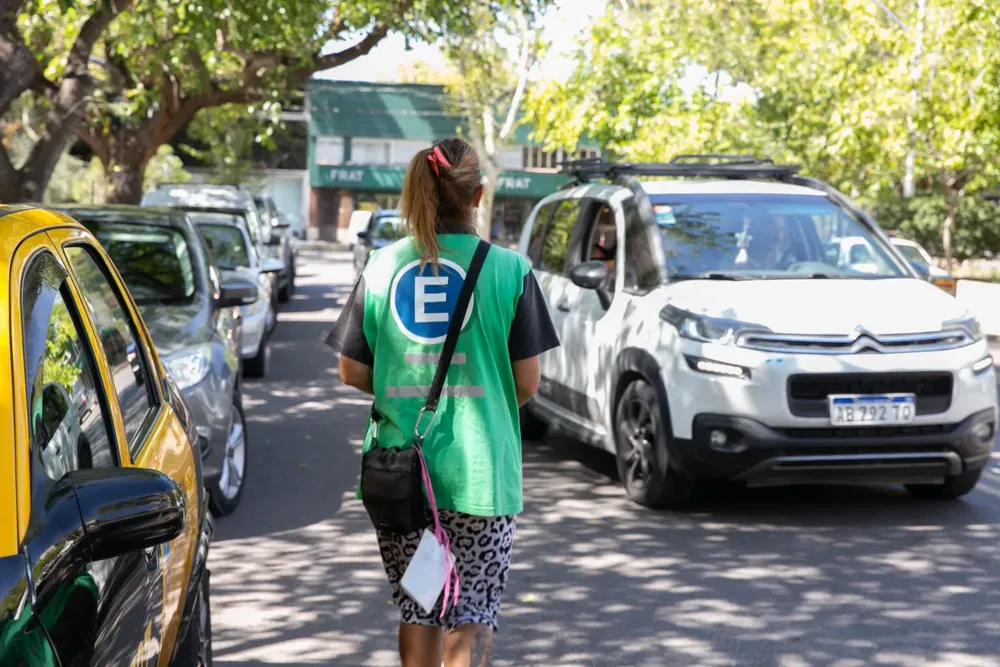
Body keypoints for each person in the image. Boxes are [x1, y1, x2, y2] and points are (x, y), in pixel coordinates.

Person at [325, 137, 560, 667]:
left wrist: (401, 385)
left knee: (419, 605)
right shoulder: (510, 271)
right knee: (470, 611)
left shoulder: (382, 266)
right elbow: (527, 382)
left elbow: (351, 370)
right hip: (481, 472)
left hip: (400, 471)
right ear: (478, 195)